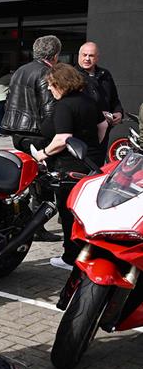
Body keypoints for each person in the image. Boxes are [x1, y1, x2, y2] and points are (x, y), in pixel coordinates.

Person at [32, 63, 107, 270]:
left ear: (60, 84)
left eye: (50, 84)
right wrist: (94, 147)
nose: (48, 88)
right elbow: (103, 125)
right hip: (90, 163)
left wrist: (42, 153)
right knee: (83, 212)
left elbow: (63, 138)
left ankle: (71, 257)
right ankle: (85, 252)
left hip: (69, 167)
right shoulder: (88, 100)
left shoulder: (64, 105)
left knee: (68, 213)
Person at [1, 35, 62, 242]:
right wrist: (56, 135)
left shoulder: (21, 70)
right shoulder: (46, 72)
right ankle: (36, 226)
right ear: (54, 55)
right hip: (36, 133)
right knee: (43, 181)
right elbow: (49, 109)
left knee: (30, 177)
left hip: (18, 132)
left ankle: (26, 219)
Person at [77, 41, 123, 152]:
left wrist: (119, 112)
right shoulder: (72, 75)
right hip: (82, 133)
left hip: (104, 131)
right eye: (84, 55)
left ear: (97, 58)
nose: (87, 59)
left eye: (91, 55)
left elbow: (114, 99)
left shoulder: (105, 74)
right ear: (79, 56)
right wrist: (98, 114)